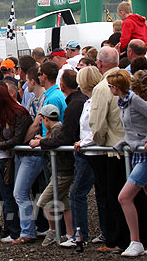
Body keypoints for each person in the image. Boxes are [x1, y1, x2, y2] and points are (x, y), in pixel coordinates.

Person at [31, 73, 86, 247]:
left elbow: (58, 142)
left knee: (44, 201)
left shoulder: (56, 131)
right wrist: (43, 141)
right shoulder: (57, 129)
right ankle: (69, 234)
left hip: (61, 172)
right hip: (63, 171)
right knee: (65, 203)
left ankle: (53, 231)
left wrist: (42, 143)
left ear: (46, 119)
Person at [0, 86, 34, 244]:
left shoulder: (18, 113)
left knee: (13, 195)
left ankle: (17, 231)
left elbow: (16, 139)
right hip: (12, 158)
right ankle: (17, 230)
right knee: (11, 196)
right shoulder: (8, 115)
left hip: (15, 158)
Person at [90, 46, 128, 253]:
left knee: (113, 196)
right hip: (132, 146)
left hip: (112, 149)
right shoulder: (129, 80)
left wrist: (100, 142)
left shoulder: (103, 87)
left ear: (100, 64)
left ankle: (116, 239)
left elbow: (97, 124)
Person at [106, 69, 147, 256]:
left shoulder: (134, 100)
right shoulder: (123, 102)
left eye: (110, 86)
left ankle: (135, 240)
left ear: (116, 87)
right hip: (137, 153)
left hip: (143, 155)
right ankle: (137, 241)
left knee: (124, 197)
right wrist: (125, 142)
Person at [74, 66, 106, 246]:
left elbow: (97, 127)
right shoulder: (88, 102)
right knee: (99, 193)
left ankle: (81, 235)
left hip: (91, 151)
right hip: (87, 151)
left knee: (79, 192)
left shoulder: (94, 101)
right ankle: (102, 232)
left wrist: (83, 143)